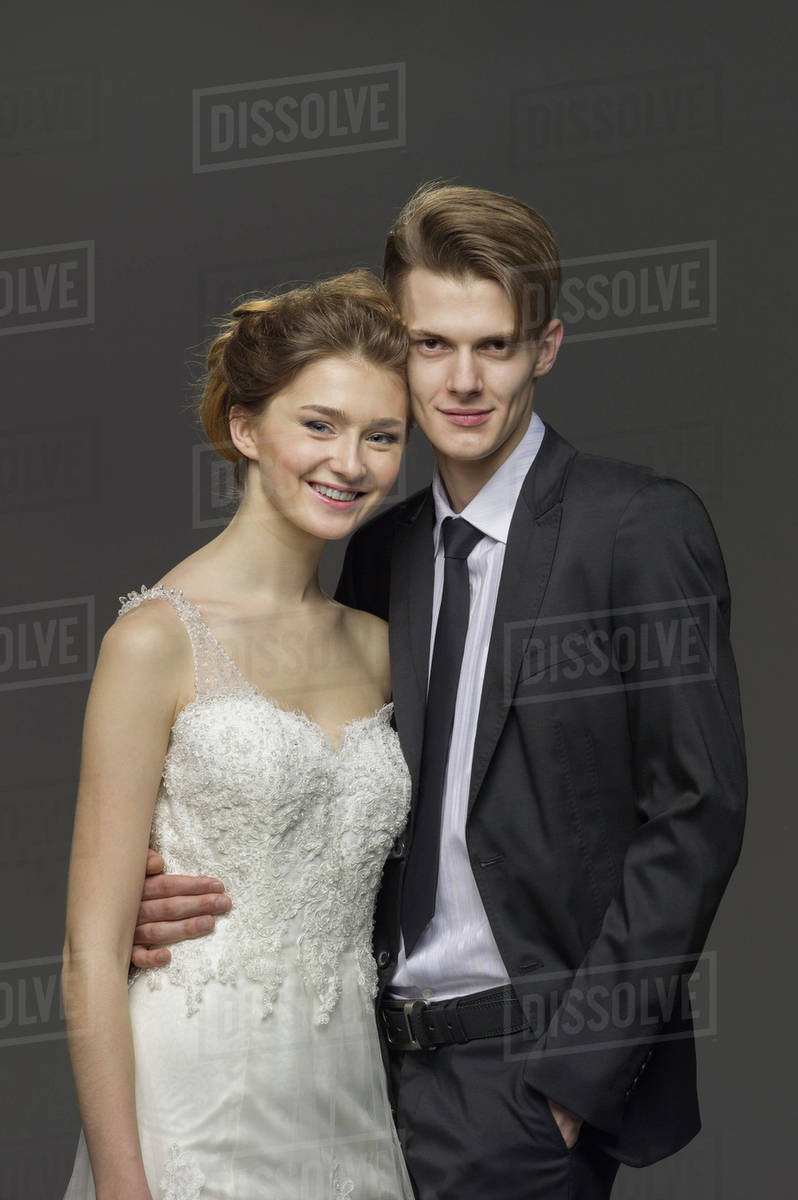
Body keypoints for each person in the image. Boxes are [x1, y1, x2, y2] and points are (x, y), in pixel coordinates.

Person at [130, 184, 747, 1200]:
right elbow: (328, 782)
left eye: (494, 347)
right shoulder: (379, 553)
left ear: (545, 347)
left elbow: (699, 811)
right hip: (352, 1076)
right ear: (397, 348)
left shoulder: (639, 531)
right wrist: (173, 891)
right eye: (430, 345)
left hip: (525, 1082)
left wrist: (571, 1087)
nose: (462, 382)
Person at [61, 270, 417, 1199]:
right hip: (192, 1104)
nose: (352, 462)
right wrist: (122, 1184)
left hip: (348, 1107)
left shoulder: (384, 649)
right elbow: (90, 955)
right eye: (320, 424)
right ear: (246, 428)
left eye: (382, 436)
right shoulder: (154, 641)